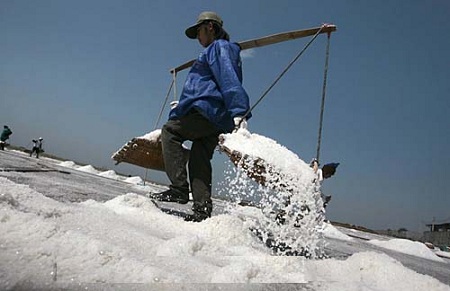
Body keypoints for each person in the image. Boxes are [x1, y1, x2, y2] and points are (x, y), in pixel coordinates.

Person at [150, 11, 252, 222]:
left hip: (209, 112)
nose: (198, 36)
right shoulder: (218, 50)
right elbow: (206, 84)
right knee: (199, 156)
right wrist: (184, 106)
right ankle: (202, 210)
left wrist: (240, 111)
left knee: (170, 131)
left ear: (210, 28)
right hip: (215, 116)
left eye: (199, 31)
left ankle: (179, 189)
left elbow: (228, 78)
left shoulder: (220, 48)